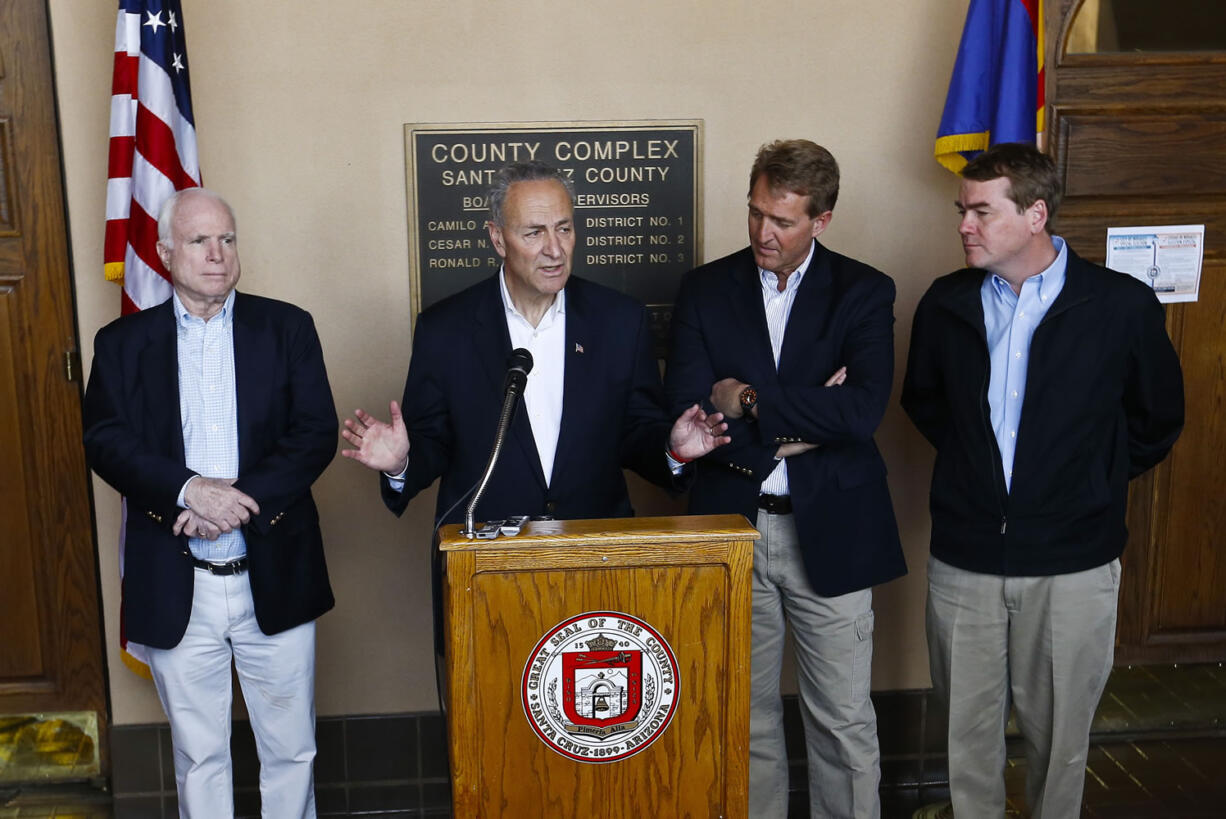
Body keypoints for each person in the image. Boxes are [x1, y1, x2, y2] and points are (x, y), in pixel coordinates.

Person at [901, 142, 1184, 819]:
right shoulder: (945, 304)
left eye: (980, 211)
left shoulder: (1121, 306)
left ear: (1035, 214)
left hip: (1073, 564)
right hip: (965, 560)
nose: (964, 225)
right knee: (965, 738)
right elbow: (927, 403)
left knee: (1060, 741)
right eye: (960, 211)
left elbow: (1156, 419)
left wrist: (1086, 481)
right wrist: (984, 480)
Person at [666, 139, 906, 819]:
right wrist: (809, 411)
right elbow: (686, 405)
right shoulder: (705, 289)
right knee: (741, 715)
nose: (763, 233)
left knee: (842, 720)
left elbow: (860, 411)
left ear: (822, 219)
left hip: (830, 526)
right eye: (755, 213)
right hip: (731, 524)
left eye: (784, 220)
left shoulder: (864, 290)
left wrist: (745, 398)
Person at [83, 188, 338, 818]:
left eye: (227, 239)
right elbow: (106, 440)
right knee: (201, 756)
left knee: (292, 749)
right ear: (166, 252)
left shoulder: (288, 327)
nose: (217, 254)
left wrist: (238, 499)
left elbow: (315, 433)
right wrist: (188, 490)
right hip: (176, 577)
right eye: (199, 241)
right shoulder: (122, 343)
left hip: (271, 568)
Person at [341, 160, 726, 541]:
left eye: (564, 229)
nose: (555, 250)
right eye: (534, 233)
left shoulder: (620, 321)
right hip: (485, 559)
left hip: (593, 547)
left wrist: (673, 452)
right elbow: (432, 441)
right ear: (497, 239)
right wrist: (400, 464)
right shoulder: (445, 329)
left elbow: (637, 431)